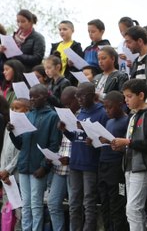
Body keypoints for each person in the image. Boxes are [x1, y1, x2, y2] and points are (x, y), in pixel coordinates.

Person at [111, 79, 147, 231]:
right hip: (130, 165)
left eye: (129, 96)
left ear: (141, 95)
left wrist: (127, 142)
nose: (126, 100)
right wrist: (121, 146)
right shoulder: (133, 116)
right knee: (133, 209)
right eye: (125, 97)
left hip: (143, 166)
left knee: (133, 208)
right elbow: (133, 144)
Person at [8, 84, 62, 231]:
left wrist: (45, 167)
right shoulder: (29, 115)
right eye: (30, 96)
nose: (32, 99)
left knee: (36, 204)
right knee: (26, 204)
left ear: (45, 97)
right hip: (24, 165)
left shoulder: (52, 116)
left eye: (36, 96)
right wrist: (12, 133)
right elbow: (21, 145)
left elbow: (54, 145)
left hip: (39, 167)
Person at [61, 82, 108, 231]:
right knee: (74, 202)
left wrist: (89, 134)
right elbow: (76, 137)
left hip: (90, 164)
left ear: (92, 96)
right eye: (77, 96)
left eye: (82, 96)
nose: (79, 99)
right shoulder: (80, 112)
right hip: (76, 162)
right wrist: (65, 131)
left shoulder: (102, 113)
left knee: (89, 202)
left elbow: (105, 140)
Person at [96, 91, 129, 231]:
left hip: (117, 168)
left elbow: (127, 147)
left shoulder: (127, 121)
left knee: (117, 204)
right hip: (104, 165)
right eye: (105, 107)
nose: (107, 111)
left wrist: (110, 141)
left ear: (120, 105)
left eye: (110, 107)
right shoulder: (109, 121)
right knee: (105, 203)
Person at [47, 86, 77, 231]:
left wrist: (71, 159)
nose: (67, 107)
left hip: (74, 168)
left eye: (69, 104)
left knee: (74, 205)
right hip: (59, 166)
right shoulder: (62, 116)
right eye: (64, 104)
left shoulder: (83, 116)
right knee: (53, 203)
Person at [0, 98, 30, 231]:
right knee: (6, 210)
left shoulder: (27, 128)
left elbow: (21, 153)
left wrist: (8, 169)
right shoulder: (9, 126)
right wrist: (2, 171)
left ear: (27, 110)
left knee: (20, 211)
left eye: (17, 108)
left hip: (17, 174)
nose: (13, 111)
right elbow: (4, 150)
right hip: (5, 175)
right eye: (12, 108)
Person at [50, 20, 84, 86]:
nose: (62, 31)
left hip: (68, 81)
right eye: (60, 30)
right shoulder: (55, 46)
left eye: (65, 29)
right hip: (54, 81)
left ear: (72, 31)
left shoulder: (76, 46)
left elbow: (80, 66)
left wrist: (73, 64)